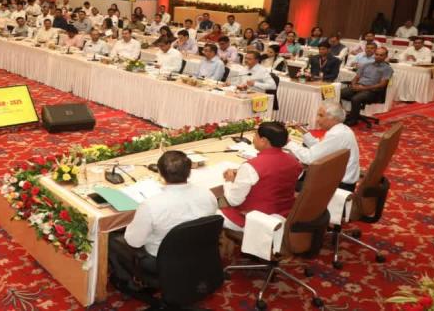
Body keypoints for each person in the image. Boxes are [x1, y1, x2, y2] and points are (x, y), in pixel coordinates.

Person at [108, 151, 217, 290]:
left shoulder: (150, 205)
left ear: (159, 173)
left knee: (112, 239)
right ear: (189, 172)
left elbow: (134, 242)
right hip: (199, 253)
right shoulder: (208, 194)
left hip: (159, 261)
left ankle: (131, 283)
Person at [219, 122, 303, 231]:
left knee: (212, 212)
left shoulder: (251, 166)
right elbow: (275, 178)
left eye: (255, 135)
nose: (253, 138)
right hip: (284, 215)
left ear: (263, 140)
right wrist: (242, 174)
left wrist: (229, 181)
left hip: (256, 219)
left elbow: (233, 201)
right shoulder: (295, 162)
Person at [286, 102, 360, 191]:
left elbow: (309, 158)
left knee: (286, 181)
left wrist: (288, 143)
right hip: (337, 178)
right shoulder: (342, 129)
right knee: (296, 173)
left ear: (333, 118)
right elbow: (320, 147)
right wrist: (303, 131)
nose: (317, 119)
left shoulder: (336, 135)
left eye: (321, 116)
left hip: (338, 186)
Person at [340, 47, 393, 125]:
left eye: (381, 55)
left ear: (386, 56)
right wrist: (353, 85)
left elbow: (382, 85)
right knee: (338, 93)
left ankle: (353, 120)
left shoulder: (387, 69)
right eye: (377, 54)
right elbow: (356, 78)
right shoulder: (366, 65)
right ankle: (341, 114)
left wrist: (363, 88)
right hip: (358, 87)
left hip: (372, 91)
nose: (378, 56)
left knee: (356, 99)